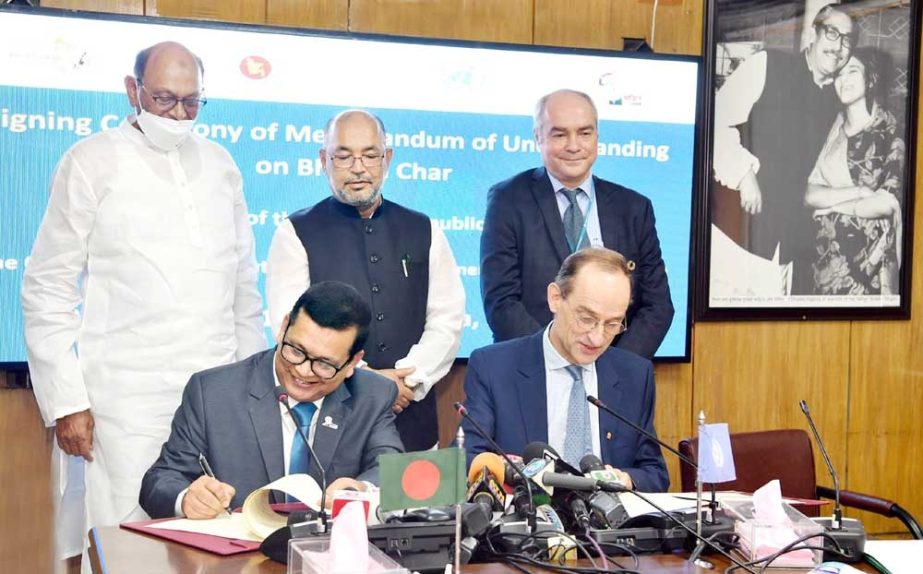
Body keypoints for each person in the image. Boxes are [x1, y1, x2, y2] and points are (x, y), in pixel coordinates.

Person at [20, 41, 265, 563]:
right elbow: (48, 286)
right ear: (133, 91)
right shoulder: (90, 161)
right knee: (128, 543)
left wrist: (254, 385)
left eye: (192, 102)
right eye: (164, 99)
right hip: (126, 400)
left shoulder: (221, 164)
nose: (178, 114)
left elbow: (243, 287)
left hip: (219, 393)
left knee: (223, 536)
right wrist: (67, 401)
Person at [267, 109, 464, 452]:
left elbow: (447, 320)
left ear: (387, 159)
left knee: (416, 507)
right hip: (331, 419)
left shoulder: (424, 229)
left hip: (413, 417)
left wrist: (409, 380)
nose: (358, 167)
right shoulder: (295, 232)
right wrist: (369, 383)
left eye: (370, 155)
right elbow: (290, 331)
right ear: (322, 161)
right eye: (343, 156)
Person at [140, 282, 404, 519]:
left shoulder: (372, 395)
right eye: (296, 350)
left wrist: (361, 490)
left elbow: (390, 469)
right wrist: (187, 498)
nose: (302, 371)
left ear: (353, 363)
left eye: (324, 364)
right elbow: (160, 480)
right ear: (283, 327)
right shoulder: (213, 393)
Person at [480, 89, 673, 360]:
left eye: (585, 133)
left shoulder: (634, 208)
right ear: (538, 137)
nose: (574, 145)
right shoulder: (509, 200)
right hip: (533, 369)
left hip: (613, 379)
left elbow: (658, 306)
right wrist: (554, 363)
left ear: (597, 137)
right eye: (560, 134)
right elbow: (501, 301)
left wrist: (611, 368)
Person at [462, 247, 669, 492]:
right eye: (586, 318)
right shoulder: (493, 368)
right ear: (555, 298)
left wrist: (627, 480)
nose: (597, 337)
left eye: (612, 324)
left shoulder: (634, 375)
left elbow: (654, 474)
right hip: (528, 522)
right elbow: (472, 463)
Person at [713, 3, 855, 293]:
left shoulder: (837, 101)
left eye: (847, 39)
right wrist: (744, 175)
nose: (838, 46)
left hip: (782, 249)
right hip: (732, 233)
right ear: (813, 35)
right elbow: (715, 121)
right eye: (832, 33)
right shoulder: (768, 64)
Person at [805, 48, 904, 295]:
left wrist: (828, 205)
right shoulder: (835, 126)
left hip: (867, 265)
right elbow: (809, 194)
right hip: (825, 261)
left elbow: (887, 203)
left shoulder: (888, 128)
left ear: (870, 80)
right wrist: (859, 191)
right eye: (839, 73)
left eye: (853, 71)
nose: (843, 80)